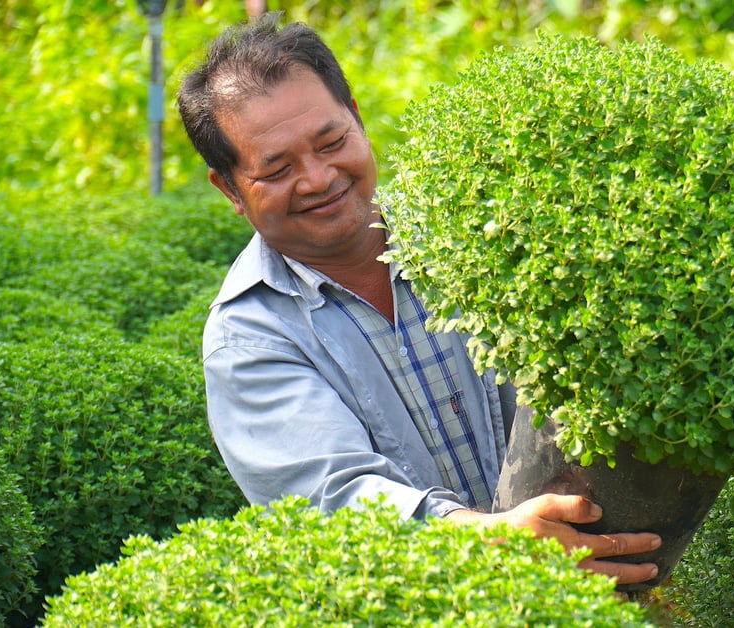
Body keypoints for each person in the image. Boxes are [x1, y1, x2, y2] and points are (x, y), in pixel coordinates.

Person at [176, 13, 660, 585]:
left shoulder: (476, 224)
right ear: (229, 187)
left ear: (356, 116)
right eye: (277, 169)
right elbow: (336, 498)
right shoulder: (249, 336)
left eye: (331, 142)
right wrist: (490, 542)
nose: (317, 178)